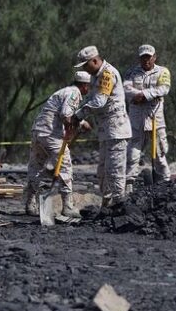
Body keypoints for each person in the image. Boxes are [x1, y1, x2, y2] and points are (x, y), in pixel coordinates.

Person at [24, 71, 92, 218]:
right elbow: (66, 114)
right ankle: (67, 206)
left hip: (38, 132)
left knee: (36, 167)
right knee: (66, 165)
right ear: (85, 85)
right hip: (51, 134)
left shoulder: (64, 91)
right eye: (88, 86)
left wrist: (80, 124)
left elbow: (64, 114)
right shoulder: (74, 94)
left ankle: (30, 205)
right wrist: (71, 128)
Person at [72, 46, 132, 207]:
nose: (85, 69)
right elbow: (90, 97)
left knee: (115, 170)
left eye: (86, 65)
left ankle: (120, 203)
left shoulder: (107, 74)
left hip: (116, 129)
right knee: (102, 171)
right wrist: (76, 111)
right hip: (105, 129)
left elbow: (99, 102)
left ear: (95, 61)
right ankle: (107, 202)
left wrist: (79, 115)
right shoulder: (95, 77)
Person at [124, 44, 171, 192]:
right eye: (143, 57)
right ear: (139, 58)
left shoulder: (163, 72)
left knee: (160, 155)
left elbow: (164, 88)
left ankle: (166, 183)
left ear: (154, 57)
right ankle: (128, 185)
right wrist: (137, 95)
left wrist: (143, 95)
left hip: (155, 119)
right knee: (132, 155)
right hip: (136, 121)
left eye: (149, 57)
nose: (146, 60)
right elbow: (126, 89)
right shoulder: (131, 72)